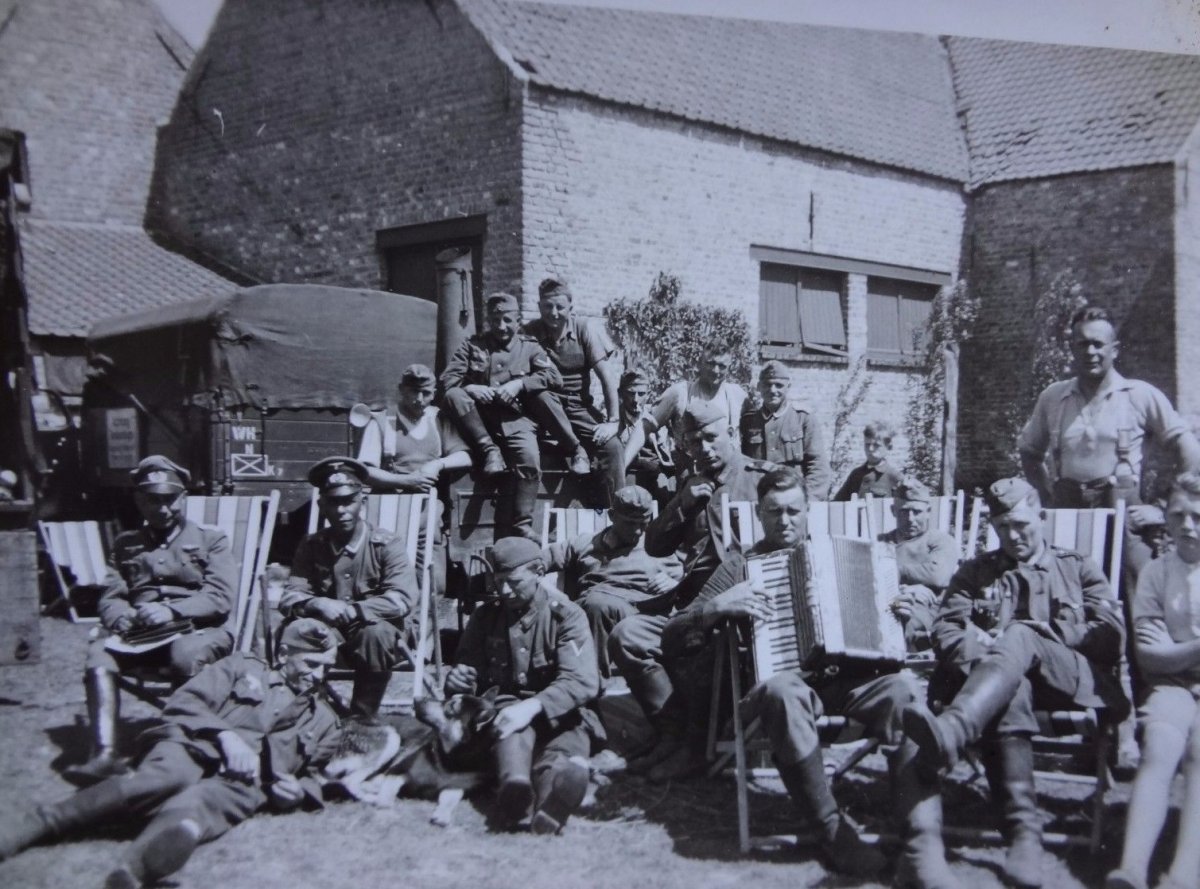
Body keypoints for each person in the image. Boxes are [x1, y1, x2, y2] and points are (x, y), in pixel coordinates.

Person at [657, 468, 956, 886]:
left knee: (904, 691)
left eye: (793, 511)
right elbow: (672, 636)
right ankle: (832, 832)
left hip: (852, 680)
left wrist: (911, 614)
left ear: (808, 510)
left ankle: (923, 846)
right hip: (784, 687)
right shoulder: (739, 567)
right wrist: (716, 608)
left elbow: (916, 619)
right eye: (774, 511)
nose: (785, 520)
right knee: (783, 691)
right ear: (759, 514)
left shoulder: (845, 554)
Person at [903, 477, 1129, 889]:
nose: (1012, 535)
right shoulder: (975, 572)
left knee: (1021, 634)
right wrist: (985, 656)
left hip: (1069, 683)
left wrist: (1055, 633)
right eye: (1002, 526)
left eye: (1021, 524)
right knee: (1013, 687)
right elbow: (946, 629)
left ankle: (954, 730)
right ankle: (1024, 836)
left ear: (1041, 517)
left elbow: (1112, 635)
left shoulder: (1076, 566)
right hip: (998, 690)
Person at [0, 619, 341, 889]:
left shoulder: (326, 721)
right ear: (283, 654)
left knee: (203, 804)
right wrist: (225, 735)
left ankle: (134, 870)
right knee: (167, 778)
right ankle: (43, 822)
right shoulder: (241, 668)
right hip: (192, 745)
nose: (319, 676)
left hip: (242, 780)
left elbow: (315, 776)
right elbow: (184, 701)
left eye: (327, 667)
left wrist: (298, 793)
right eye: (311, 664)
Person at [607, 400, 766, 766]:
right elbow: (655, 545)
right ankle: (671, 732)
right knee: (628, 636)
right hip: (691, 608)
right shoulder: (691, 483)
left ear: (731, 434)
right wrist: (682, 502)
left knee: (700, 647)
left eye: (711, 438)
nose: (704, 448)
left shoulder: (761, 479)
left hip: (738, 607)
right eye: (694, 442)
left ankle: (695, 746)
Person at [67, 456, 238, 784]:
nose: (162, 508)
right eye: (152, 500)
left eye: (170, 499)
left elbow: (220, 596)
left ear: (183, 497)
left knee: (185, 654)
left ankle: (185, 747)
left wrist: (173, 611)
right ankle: (104, 754)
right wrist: (121, 618)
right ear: (138, 500)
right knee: (99, 655)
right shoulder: (125, 544)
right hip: (143, 637)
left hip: (200, 631)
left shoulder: (211, 540)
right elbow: (111, 596)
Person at [444, 537, 601, 834]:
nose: (504, 591)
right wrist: (457, 682)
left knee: (563, 747)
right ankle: (516, 790)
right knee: (509, 728)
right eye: (498, 581)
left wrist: (533, 706)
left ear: (539, 572)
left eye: (514, 582)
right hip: (506, 711)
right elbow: (467, 679)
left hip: (560, 713)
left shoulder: (566, 616)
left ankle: (551, 800)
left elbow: (581, 681)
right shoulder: (485, 617)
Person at [1106, 472, 1200, 889]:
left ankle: (1183, 874)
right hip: (1173, 685)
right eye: (1177, 515)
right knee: (1159, 747)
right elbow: (1149, 658)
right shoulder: (1157, 573)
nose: (1187, 525)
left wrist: (1177, 649)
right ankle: (1132, 869)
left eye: (1197, 516)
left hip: (1177, 673)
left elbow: (1165, 652)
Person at [1019, 305, 1200, 509]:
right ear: (1072, 349)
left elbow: (1190, 451)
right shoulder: (1053, 397)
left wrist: (1164, 507)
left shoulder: (1140, 395)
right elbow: (1029, 452)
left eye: (1098, 344)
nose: (1090, 352)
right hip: (1068, 514)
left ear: (1114, 350)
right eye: (1083, 344)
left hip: (1124, 515)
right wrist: (1045, 497)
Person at [279, 457, 418, 721]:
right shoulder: (311, 545)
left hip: (378, 637)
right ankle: (316, 715)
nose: (342, 510)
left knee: (375, 633)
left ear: (362, 502)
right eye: (334, 502)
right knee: (296, 630)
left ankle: (362, 718)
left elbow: (402, 598)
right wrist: (316, 603)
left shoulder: (386, 544)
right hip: (329, 633)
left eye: (349, 501)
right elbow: (290, 597)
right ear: (322, 506)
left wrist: (353, 610)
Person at [440, 292, 563, 539]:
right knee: (454, 395)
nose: (501, 326)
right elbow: (447, 380)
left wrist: (520, 384)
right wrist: (471, 388)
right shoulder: (473, 345)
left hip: (515, 420)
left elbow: (554, 377)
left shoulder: (529, 347)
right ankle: (489, 450)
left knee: (530, 459)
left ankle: (522, 523)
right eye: (495, 320)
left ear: (518, 320)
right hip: (478, 421)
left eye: (507, 320)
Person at [357, 362, 472, 595]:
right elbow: (365, 472)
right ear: (401, 390)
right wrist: (406, 481)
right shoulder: (382, 421)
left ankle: (426, 617)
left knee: (433, 583)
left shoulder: (438, 419)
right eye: (413, 392)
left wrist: (438, 463)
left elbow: (465, 456)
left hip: (427, 512)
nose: (419, 399)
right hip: (388, 512)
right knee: (388, 579)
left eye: (426, 393)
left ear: (434, 393)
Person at [543, 485, 681, 676]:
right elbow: (539, 560)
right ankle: (588, 679)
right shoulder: (586, 543)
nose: (638, 531)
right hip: (592, 611)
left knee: (599, 605)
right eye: (630, 523)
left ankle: (588, 679)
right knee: (596, 605)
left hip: (639, 616)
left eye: (643, 523)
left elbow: (692, 584)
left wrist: (675, 584)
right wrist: (548, 590)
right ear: (611, 515)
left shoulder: (658, 547)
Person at [522, 277, 625, 496]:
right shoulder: (529, 332)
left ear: (571, 307)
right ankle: (577, 450)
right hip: (544, 409)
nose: (554, 313)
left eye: (560, 307)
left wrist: (612, 421)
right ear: (539, 306)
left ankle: (619, 507)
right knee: (539, 395)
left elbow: (607, 376)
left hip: (577, 407)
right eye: (548, 306)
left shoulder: (584, 329)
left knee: (612, 447)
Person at [881, 477, 961, 651]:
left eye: (917, 512)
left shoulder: (940, 541)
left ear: (928, 511)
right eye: (904, 511)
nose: (910, 519)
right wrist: (905, 589)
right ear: (893, 511)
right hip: (890, 603)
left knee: (901, 624)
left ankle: (894, 662)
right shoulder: (881, 542)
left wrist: (894, 572)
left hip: (925, 609)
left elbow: (938, 576)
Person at [646, 342, 749, 475]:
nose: (715, 370)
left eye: (722, 366)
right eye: (710, 363)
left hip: (730, 474)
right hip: (691, 474)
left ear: (729, 366)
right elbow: (645, 427)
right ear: (700, 363)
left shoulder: (738, 396)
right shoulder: (680, 393)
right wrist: (624, 464)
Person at [740, 360, 832, 500]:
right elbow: (741, 463)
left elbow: (818, 467)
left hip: (794, 497)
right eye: (767, 384)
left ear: (788, 387)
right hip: (759, 498)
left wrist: (807, 500)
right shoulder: (748, 421)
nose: (773, 390)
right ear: (759, 387)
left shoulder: (803, 419)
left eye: (779, 385)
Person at [613, 368, 675, 507]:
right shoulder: (613, 419)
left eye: (641, 394)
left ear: (649, 394)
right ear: (620, 393)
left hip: (657, 471)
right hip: (628, 472)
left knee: (667, 494)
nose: (636, 400)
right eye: (631, 393)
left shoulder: (657, 415)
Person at [832, 419, 904, 501]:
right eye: (867, 444)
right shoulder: (856, 474)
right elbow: (837, 503)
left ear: (888, 447)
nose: (870, 449)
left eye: (876, 445)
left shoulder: (894, 476)